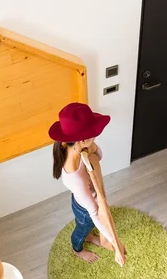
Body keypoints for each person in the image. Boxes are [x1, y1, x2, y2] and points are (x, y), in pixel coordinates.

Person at [49, 103, 125, 266]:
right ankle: (78, 249)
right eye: (94, 135)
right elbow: (95, 213)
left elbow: (99, 156)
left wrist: (90, 146)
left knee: (85, 226)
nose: (96, 137)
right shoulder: (74, 175)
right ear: (83, 140)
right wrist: (115, 243)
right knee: (82, 228)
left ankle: (89, 236)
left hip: (83, 198)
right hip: (85, 208)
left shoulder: (77, 151)